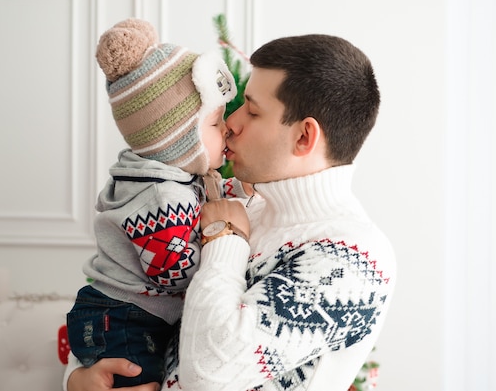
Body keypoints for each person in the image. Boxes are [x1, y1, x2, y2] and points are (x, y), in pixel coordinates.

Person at [65, 33, 396, 391]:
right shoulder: (242, 208)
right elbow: (136, 307)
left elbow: (207, 374)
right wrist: (79, 381)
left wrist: (225, 239)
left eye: (252, 111)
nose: (232, 123)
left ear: (304, 137)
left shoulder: (352, 258)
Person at [65, 18, 248, 388]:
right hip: (123, 318)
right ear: (176, 140)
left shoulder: (169, 177)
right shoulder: (163, 195)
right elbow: (171, 272)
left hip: (123, 312)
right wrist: (225, 242)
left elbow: (207, 198)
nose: (227, 128)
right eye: (214, 124)